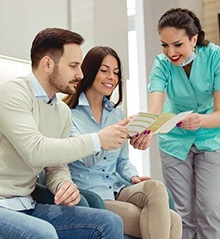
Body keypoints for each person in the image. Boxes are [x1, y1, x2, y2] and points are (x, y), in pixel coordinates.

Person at [0, 28, 129, 239]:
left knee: (109, 222)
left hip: (27, 204)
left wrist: (63, 184)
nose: (80, 75)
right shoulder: (12, 92)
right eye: (73, 66)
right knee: (43, 233)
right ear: (47, 64)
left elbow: (56, 165)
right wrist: (97, 140)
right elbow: (35, 151)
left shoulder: (61, 111)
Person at [65, 46, 182, 239]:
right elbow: (86, 159)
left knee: (156, 188)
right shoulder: (69, 115)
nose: (111, 77)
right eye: (104, 70)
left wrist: (133, 177)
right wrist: (111, 134)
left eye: (116, 72)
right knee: (173, 221)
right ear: (89, 71)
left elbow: (122, 161)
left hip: (117, 188)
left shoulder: (116, 113)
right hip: (92, 195)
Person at [147, 8, 220, 239]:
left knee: (209, 210)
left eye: (177, 44)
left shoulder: (217, 57)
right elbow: (155, 109)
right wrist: (146, 130)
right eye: (164, 45)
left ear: (193, 38)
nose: (170, 52)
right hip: (174, 140)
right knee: (181, 213)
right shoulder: (161, 64)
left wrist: (200, 120)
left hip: (211, 137)